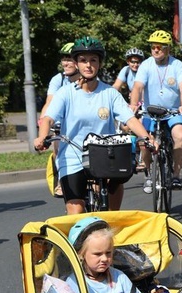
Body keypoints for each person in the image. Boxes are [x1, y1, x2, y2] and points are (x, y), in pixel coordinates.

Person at [33, 37, 153, 214]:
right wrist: (42, 137)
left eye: (93, 60)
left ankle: (113, 222)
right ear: (76, 63)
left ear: (100, 63)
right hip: (73, 157)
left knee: (115, 195)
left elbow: (130, 119)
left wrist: (147, 138)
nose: (88, 65)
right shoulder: (65, 93)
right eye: (83, 60)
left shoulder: (110, 93)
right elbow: (48, 119)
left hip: (104, 156)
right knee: (76, 215)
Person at [130, 30, 182, 193]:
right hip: (151, 113)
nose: (155, 50)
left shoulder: (177, 65)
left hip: (172, 112)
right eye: (153, 47)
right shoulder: (146, 65)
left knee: (180, 136)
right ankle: (149, 174)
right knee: (143, 142)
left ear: (167, 49)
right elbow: (138, 87)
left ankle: (177, 175)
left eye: (159, 47)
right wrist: (133, 104)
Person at [41, 42, 80, 197]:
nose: (65, 63)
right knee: (58, 150)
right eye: (63, 58)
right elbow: (49, 103)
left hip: (82, 124)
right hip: (62, 125)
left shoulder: (86, 80)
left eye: (69, 58)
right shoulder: (58, 79)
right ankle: (62, 181)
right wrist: (43, 122)